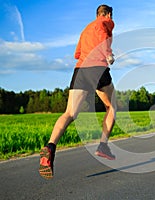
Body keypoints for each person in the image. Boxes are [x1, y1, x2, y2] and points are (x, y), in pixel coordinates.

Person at [39, 4, 116, 179]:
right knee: (112, 107)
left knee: (70, 113)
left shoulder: (84, 30)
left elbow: (77, 54)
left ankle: (50, 147)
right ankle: (103, 146)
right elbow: (104, 35)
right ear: (107, 14)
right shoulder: (105, 22)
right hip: (97, 68)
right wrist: (108, 53)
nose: (110, 20)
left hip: (80, 69)